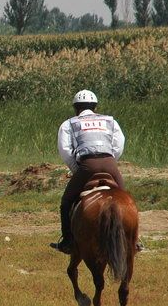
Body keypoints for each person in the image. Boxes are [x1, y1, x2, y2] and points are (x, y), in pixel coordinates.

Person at [51, 89, 126, 254]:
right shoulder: (110, 120)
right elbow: (119, 144)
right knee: (127, 200)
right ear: (95, 107)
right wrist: (111, 162)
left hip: (87, 166)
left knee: (66, 202)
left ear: (76, 108)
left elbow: (65, 151)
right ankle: (133, 239)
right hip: (110, 164)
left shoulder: (69, 124)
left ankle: (68, 241)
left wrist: (77, 170)